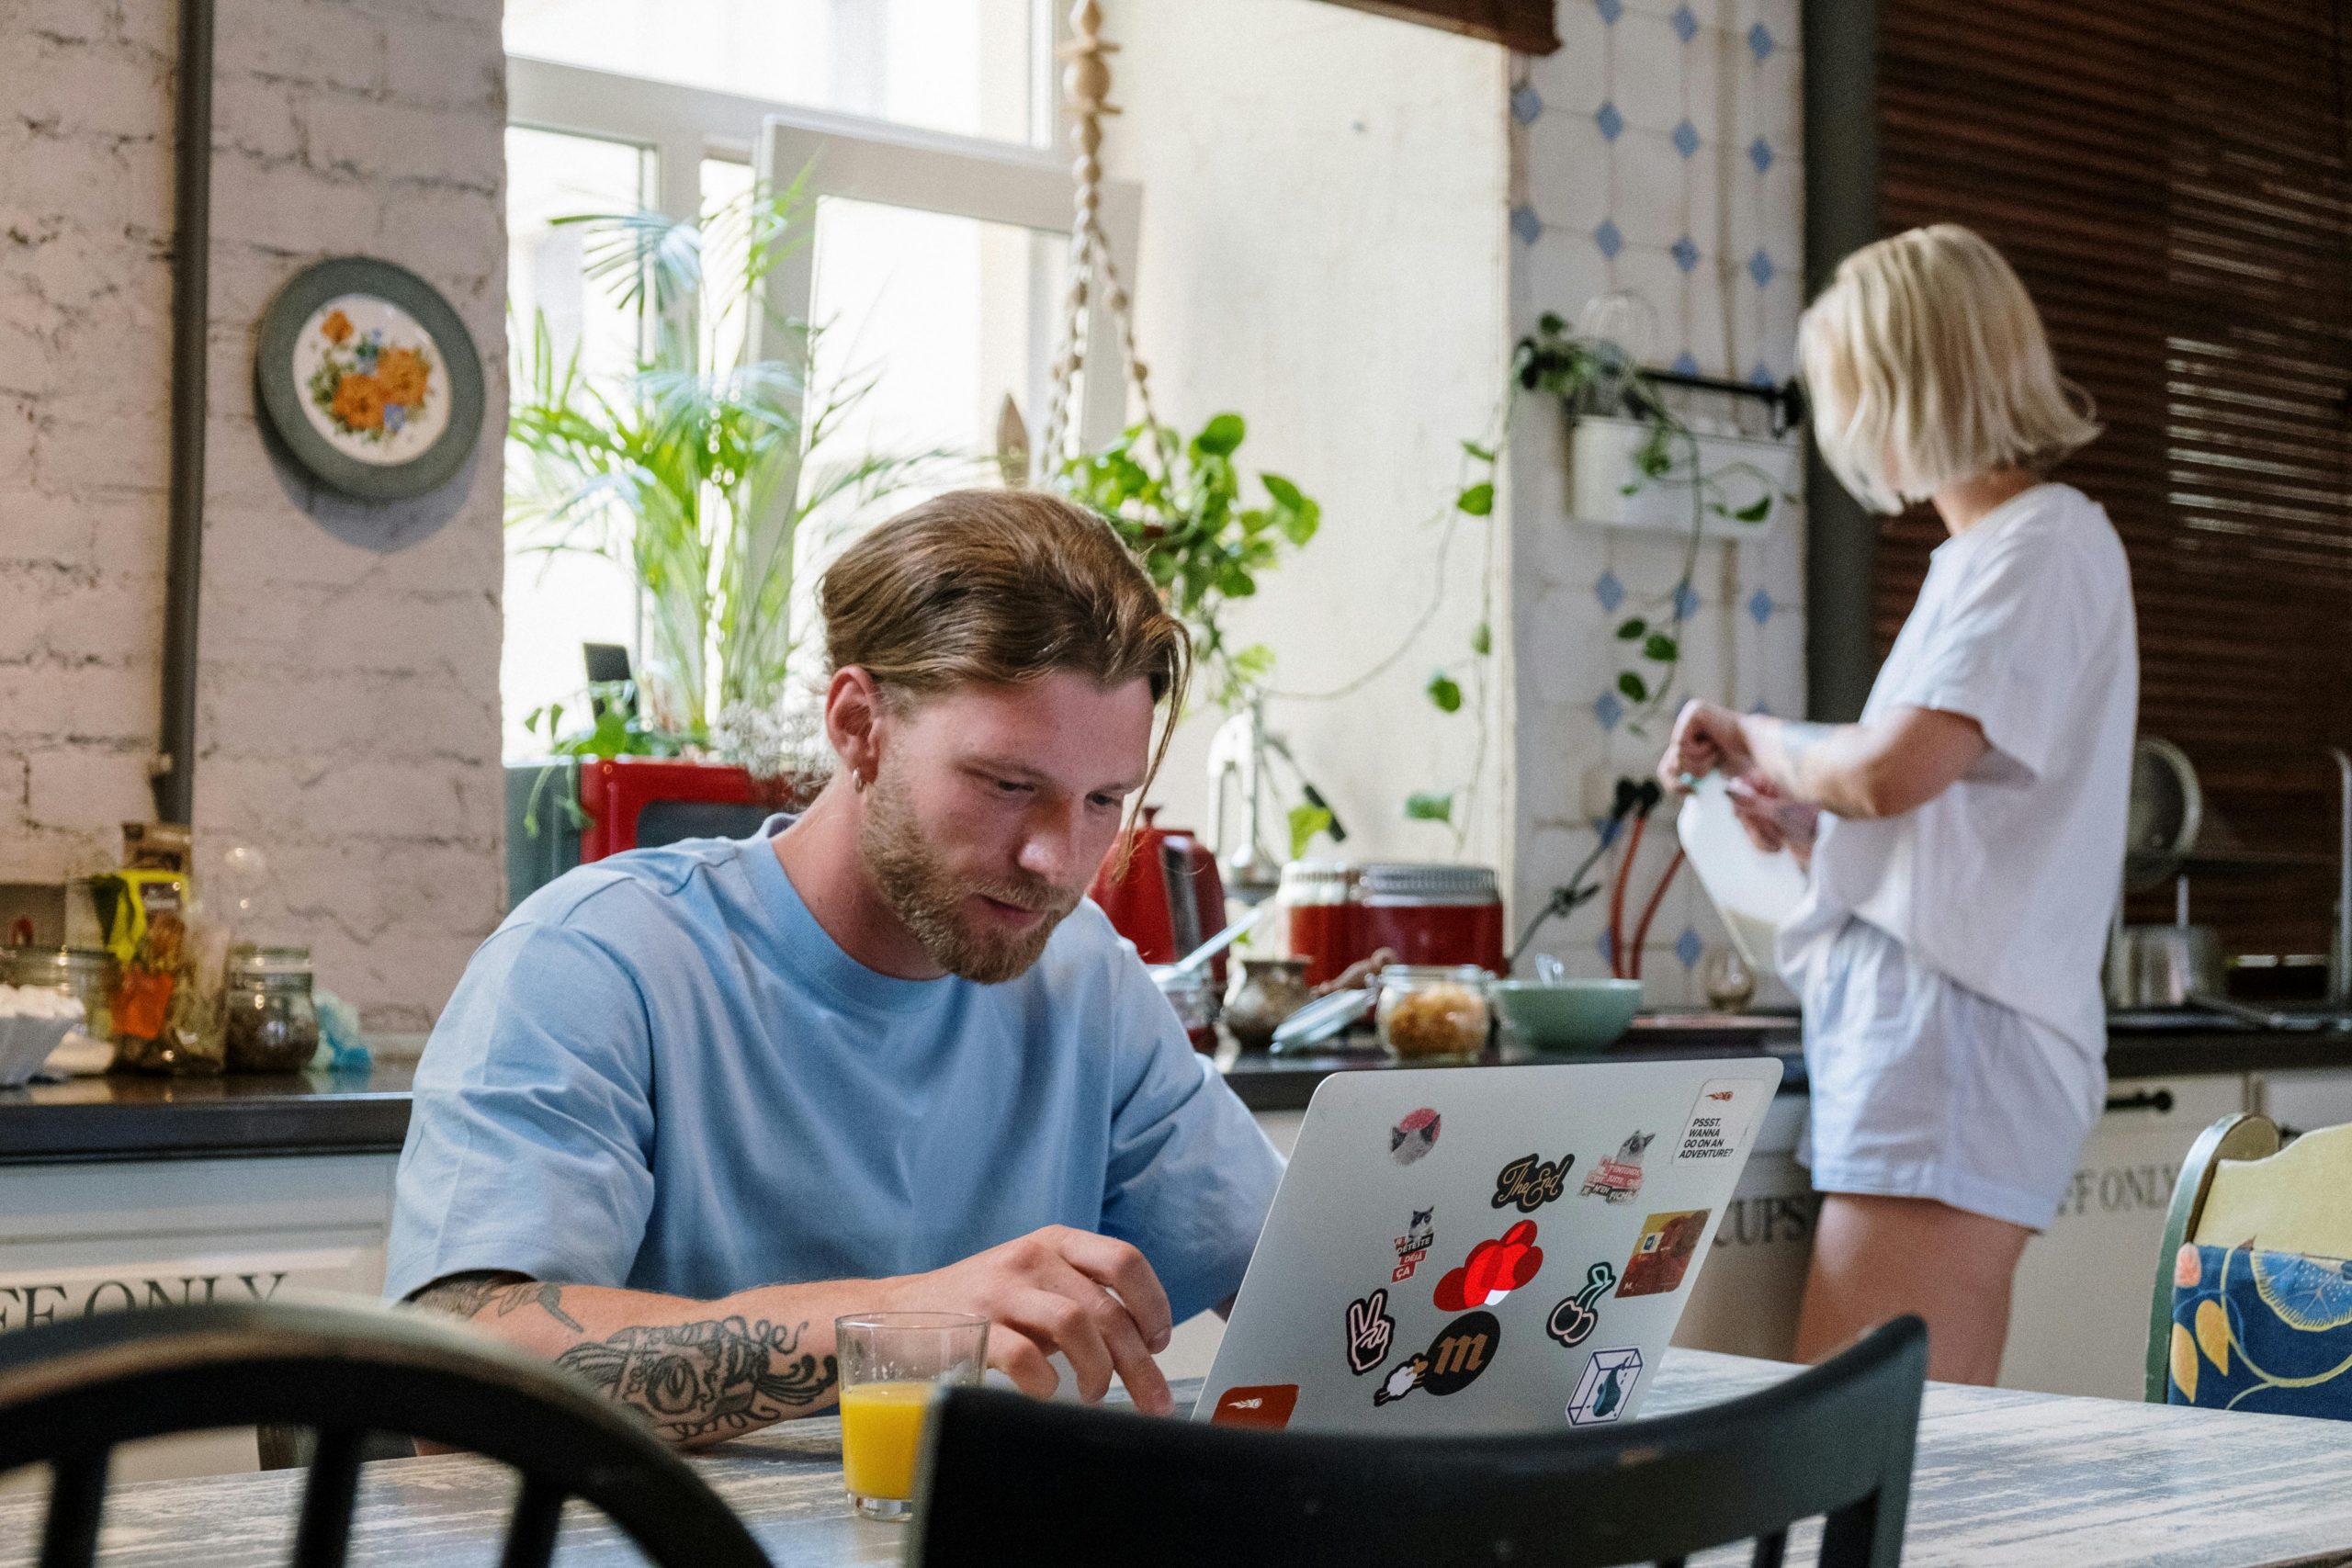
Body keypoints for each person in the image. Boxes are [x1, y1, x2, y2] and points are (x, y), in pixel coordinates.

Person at [387, 490, 1284, 1443]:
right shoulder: (598, 959)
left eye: (1102, 800)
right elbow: (450, 1371)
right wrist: (909, 1326)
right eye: (1008, 786)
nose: (1058, 862)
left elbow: (1304, 1290)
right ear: (858, 724)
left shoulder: (1083, 979)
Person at [1657, 224, 2135, 1384]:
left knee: (1880, 1457)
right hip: (1926, 1034)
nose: (1846, 431)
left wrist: (1758, 736)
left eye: (1850, 393)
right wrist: (1814, 831)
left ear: (1909, 386)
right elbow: (1937, 816)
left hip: (1953, 1042)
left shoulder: (2042, 544)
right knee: (1884, 1446)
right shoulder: (1978, 560)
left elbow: (1889, 772)